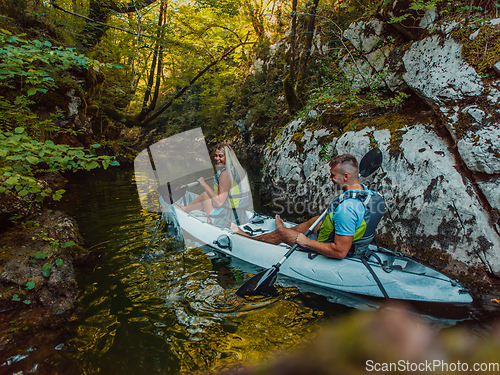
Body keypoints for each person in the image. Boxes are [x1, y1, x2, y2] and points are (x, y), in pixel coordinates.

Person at [231, 154, 385, 259]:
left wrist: (307, 242)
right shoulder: (368, 194)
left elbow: (340, 252)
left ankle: (250, 239)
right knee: (316, 220)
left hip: (340, 249)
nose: (330, 179)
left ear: (346, 177)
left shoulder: (347, 209)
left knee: (282, 233)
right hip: (355, 242)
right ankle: (286, 231)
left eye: (333, 175)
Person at [175, 143, 251, 225]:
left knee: (205, 195)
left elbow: (219, 202)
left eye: (220, 156)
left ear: (228, 157)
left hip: (228, 218)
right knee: (206, 197)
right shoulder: (237, 170)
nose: (217, 158)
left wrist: (204, 184)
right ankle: (194, 207)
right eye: (216, 155)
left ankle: (184, 209)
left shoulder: (226, 174)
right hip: (240, 215)